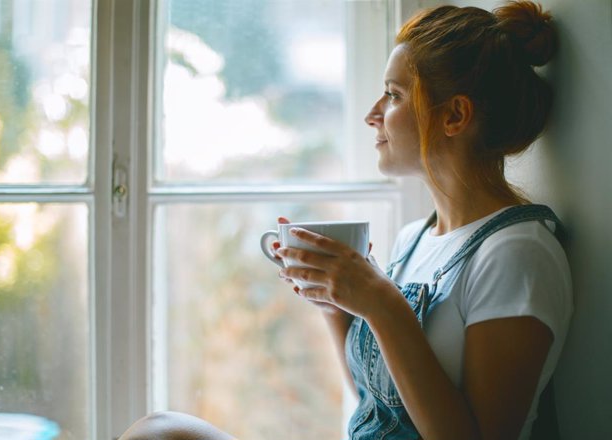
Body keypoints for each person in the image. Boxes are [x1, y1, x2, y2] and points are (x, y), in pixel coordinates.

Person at [120, 1, 572, 439]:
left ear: (454, 115)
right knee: (160, 432)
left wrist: (380, 302)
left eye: (393, 95)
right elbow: (380, 404)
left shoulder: (517, 252)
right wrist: (336, 307)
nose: (372, 114)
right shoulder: (416, 238)